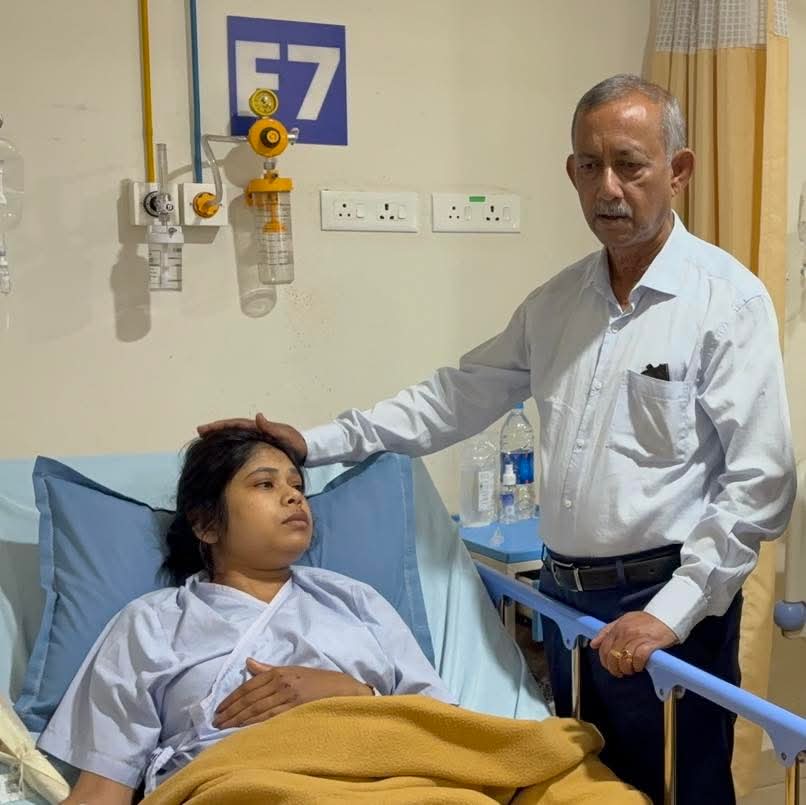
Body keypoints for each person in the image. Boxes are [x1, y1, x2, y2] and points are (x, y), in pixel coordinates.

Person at [201, 74, 797, 804]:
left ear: (678, 170)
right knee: (585, 785)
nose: (608, 188)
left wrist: (669, 613)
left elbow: (761, 483)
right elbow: (455, 397)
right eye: (589, 165)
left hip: (664, 598)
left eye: (630, 165)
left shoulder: (725, 301)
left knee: (681, 788)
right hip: (563, 600)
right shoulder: (556, 304)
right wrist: (311, 443)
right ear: (571, 172)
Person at [38, 429, 456, 805]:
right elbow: (103, 793)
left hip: (384, 783)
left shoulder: (353, 600)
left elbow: (448, 732)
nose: (294, 496)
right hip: (234, 787)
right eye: (265, 484)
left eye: (296, 485)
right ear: (206, 524)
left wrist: (355, 693)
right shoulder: (151, 623)